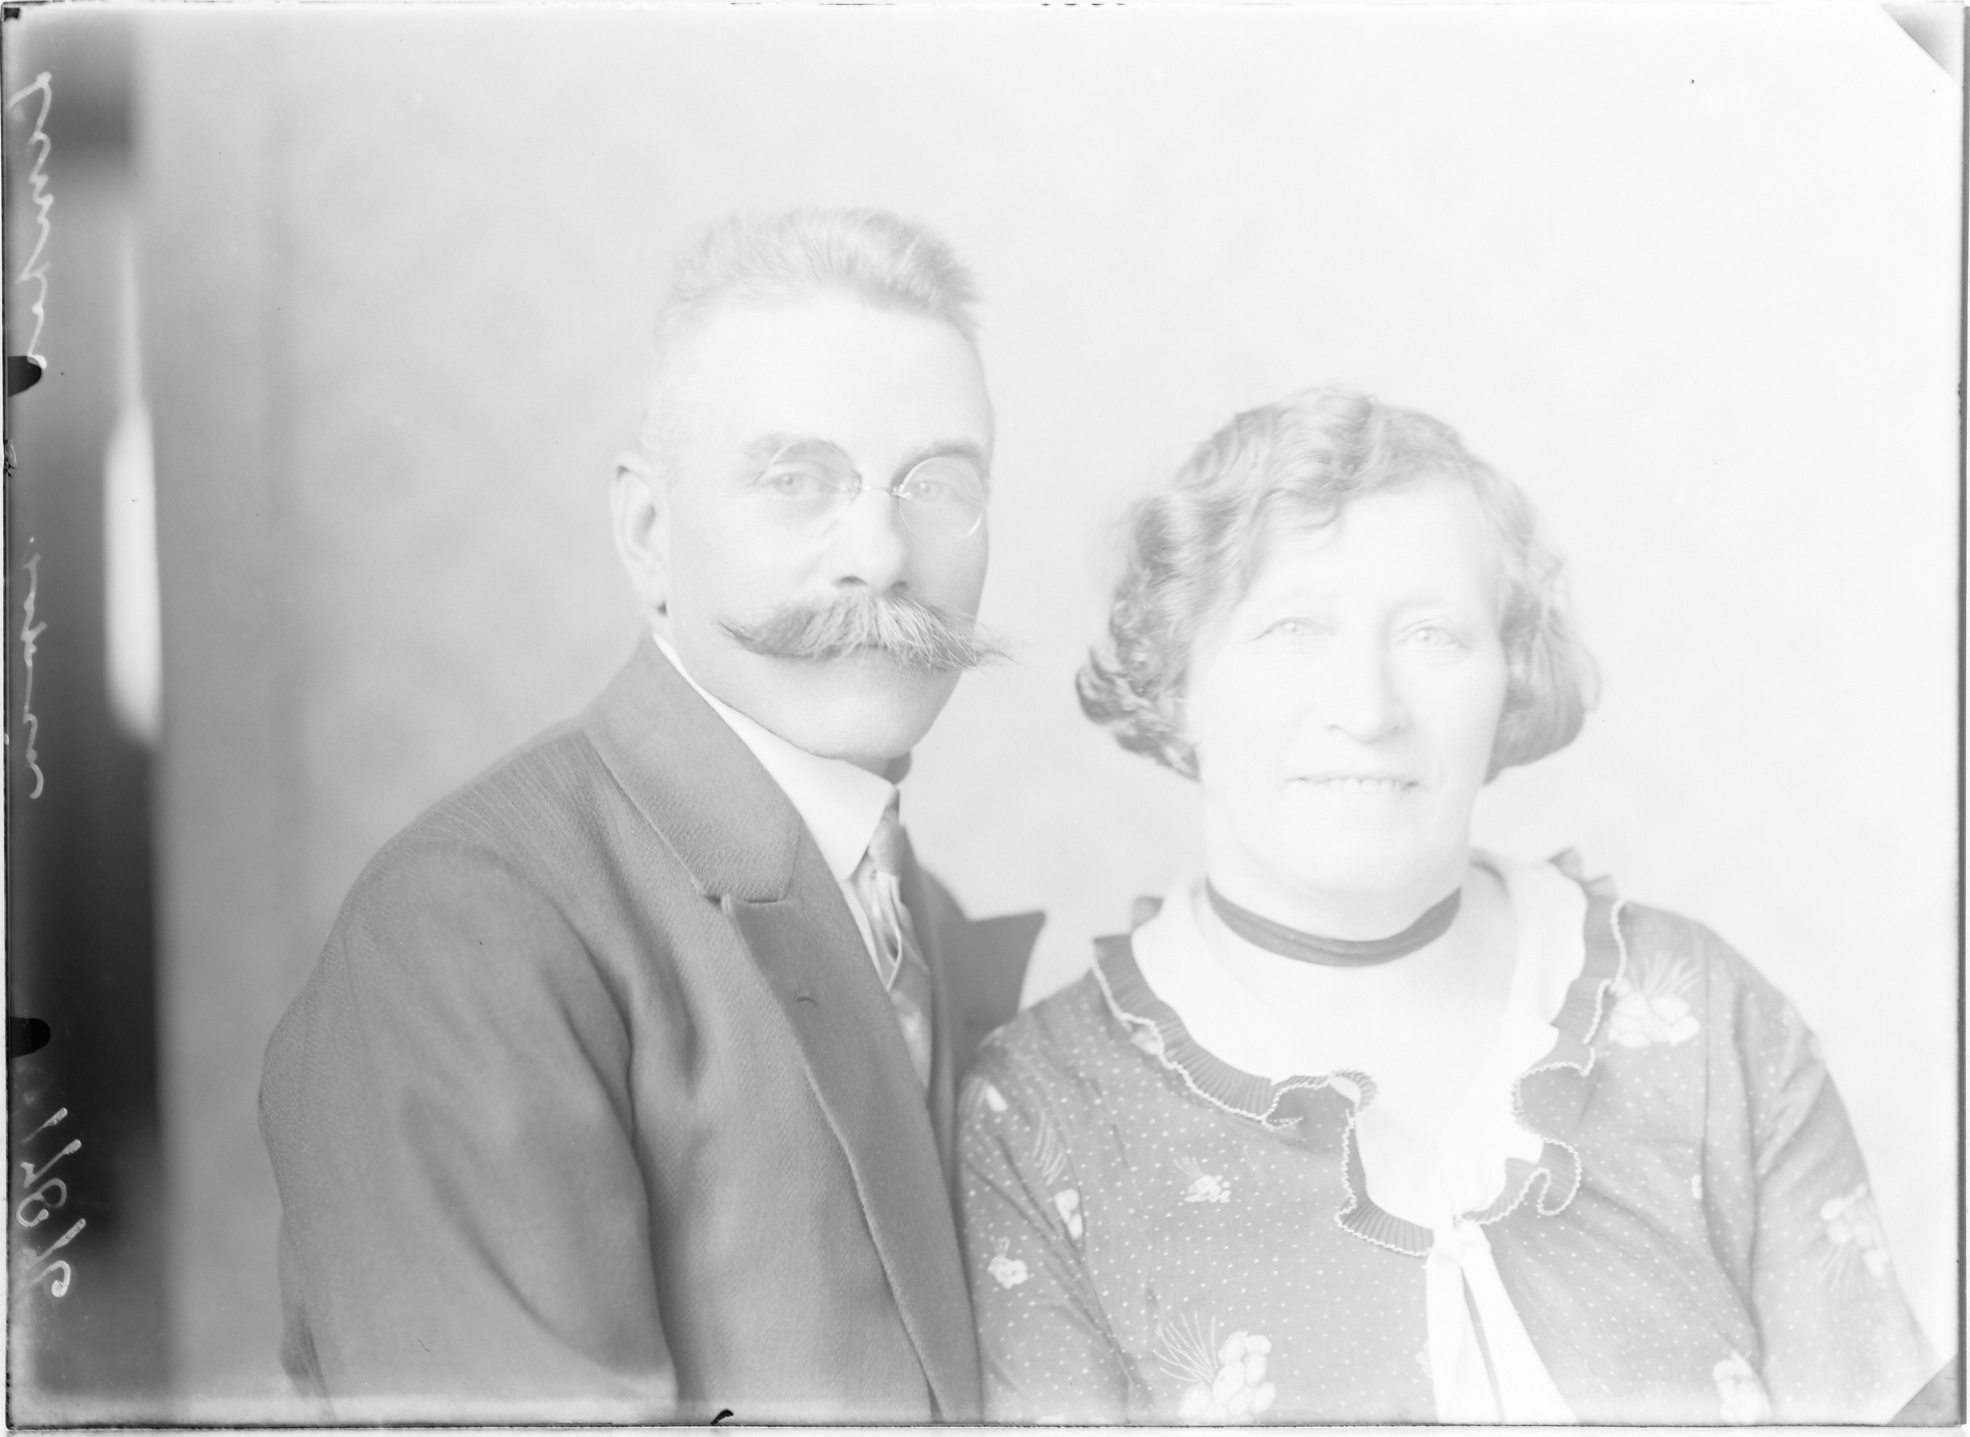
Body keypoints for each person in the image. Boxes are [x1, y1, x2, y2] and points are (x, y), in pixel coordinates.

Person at [958, 385, 1934, 1423]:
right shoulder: (1042, 1111)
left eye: (1431, 635)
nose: (1366, 709)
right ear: (1175, 679)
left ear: (1510, 680)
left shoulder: (1701, 1018)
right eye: (1291, 628)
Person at [260, 208, 1042, 1423]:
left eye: (936, 483)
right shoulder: (467, 926)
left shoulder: (908, 901)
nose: (883, 553)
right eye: (795, 479)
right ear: (647, 533)